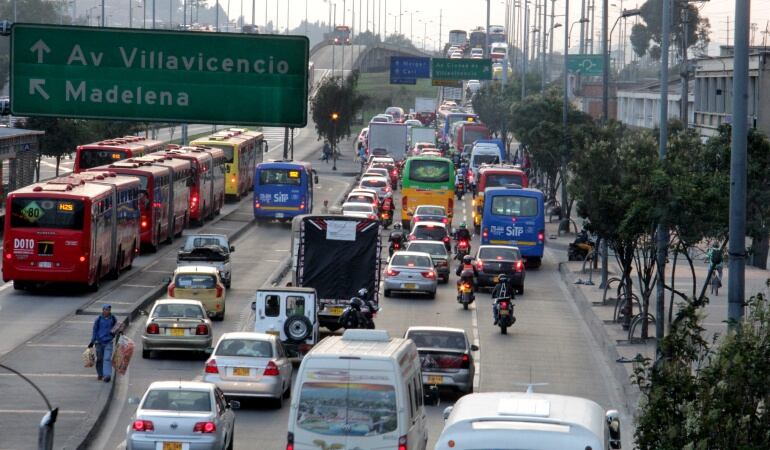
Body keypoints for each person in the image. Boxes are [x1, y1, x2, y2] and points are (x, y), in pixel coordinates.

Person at [89, 304, 117, 382]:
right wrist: (92, 341)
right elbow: (94, 330)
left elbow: (116, 327)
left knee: (107, 358)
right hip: (99, 342)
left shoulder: (113, 318)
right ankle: (100, 374)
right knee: (100, 359)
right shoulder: (98, 319)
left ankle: (107, 375)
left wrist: (118, 332)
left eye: (108, 310)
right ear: (103, 310)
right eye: (105, 309)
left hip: (109, 341)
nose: (107, 311)